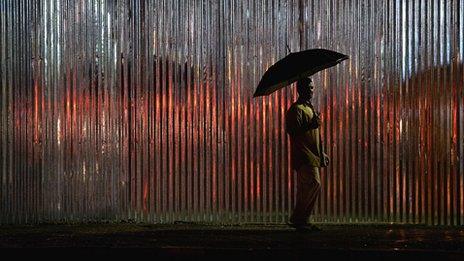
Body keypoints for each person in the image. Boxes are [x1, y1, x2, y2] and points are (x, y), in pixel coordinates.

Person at [285, 77, 329, 232]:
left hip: (313, 155)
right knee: (313, 184)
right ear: (300, 90)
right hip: (303, 155)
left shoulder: (310, 109)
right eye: (309, 88)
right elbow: (292, 131)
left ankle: (302, 220)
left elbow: (315, 135)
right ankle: (298, 219)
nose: (312, 91)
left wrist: (321, 153)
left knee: (311, 186)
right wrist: (311, 124)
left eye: (312, 88)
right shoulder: (296, 109)